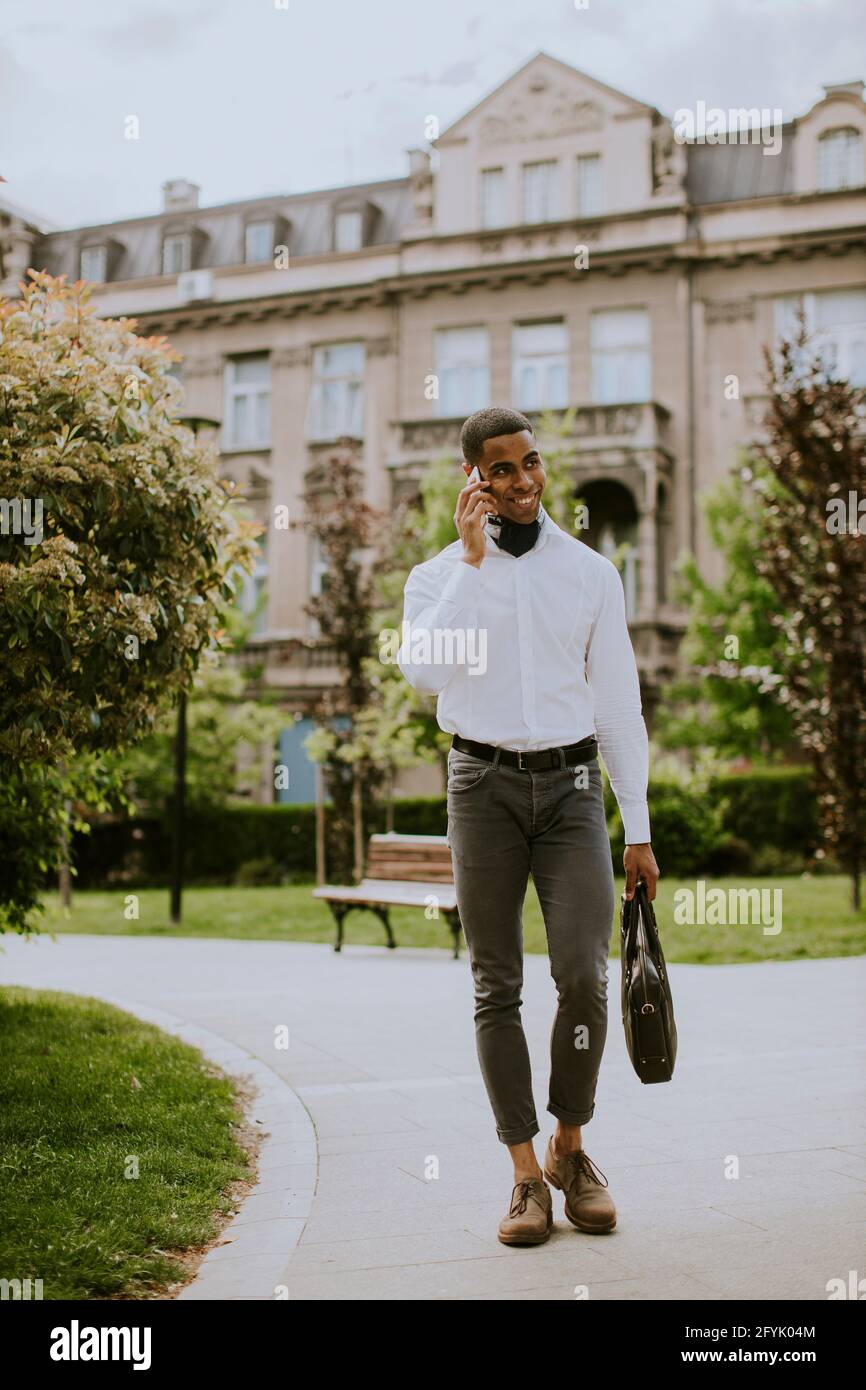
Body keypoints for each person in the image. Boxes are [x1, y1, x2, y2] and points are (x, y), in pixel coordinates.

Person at [397, 405, 660, 1246]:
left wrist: (640, 826)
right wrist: (474, 566)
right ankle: (522, 1176)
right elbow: (425, 675)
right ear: (472, 477)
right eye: (501, 469)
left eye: (530, 464)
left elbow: (619, 702)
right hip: (480, 785)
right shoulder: (438, 577)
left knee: (582, 975)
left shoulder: (589, 572)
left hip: (575, 784)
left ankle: (570, 1149)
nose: (521, 481)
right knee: (495, 983)